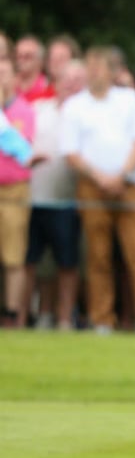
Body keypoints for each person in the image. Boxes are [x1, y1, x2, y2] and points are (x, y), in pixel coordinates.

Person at [61, 46, 135, 336]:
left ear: (111, 71)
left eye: (99, 67)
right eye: (89, 67)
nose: (93, 73)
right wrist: (101, 177)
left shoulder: (129, 99)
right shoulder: (74, 106)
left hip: (129, 186)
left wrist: (120, 175)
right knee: (98, 256)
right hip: (92, 187)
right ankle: (102, 319)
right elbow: (71, 153)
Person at [25, 60, 85, 330]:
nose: (69, 83)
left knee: (67, 263)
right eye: (65, 78)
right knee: (34, 263)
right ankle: (36, 314)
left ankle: (63, 317)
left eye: (76, 79)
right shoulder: (38, 109)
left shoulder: (86, 113)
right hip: (35, 197)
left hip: (68, 200)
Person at [0, 57, 36, 327]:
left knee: (13, 256)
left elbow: (23, 152)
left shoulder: (24, 111)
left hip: (13, 190)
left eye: (4, 73)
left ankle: (12, 316)